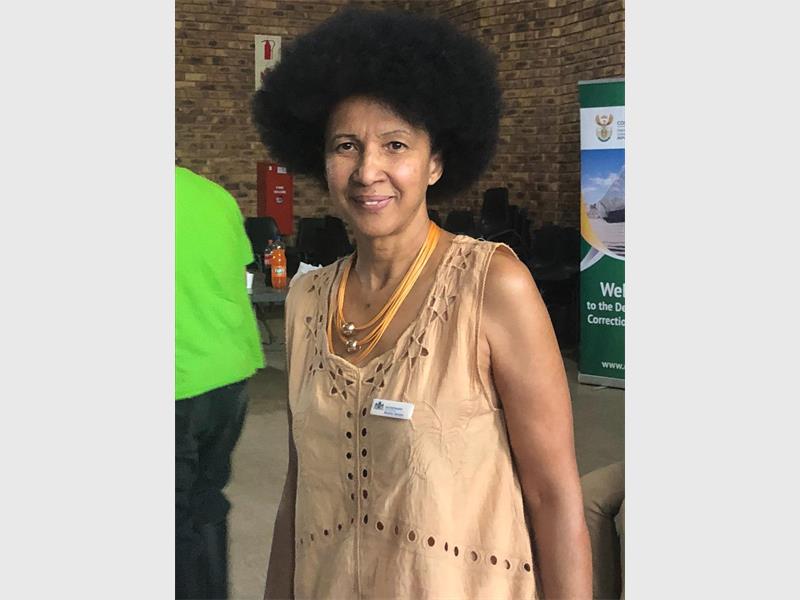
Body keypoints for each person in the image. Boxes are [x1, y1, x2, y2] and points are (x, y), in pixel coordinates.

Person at [252, 8, 591, 599]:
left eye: (396, 144)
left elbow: (553, 495)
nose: (368, 171)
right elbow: (298, 489)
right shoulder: (307, 300)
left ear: (435, 162)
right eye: (346, 146)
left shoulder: (491, 285)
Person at [175, 165, 265, 599]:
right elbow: (237, 270)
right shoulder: (214, 195)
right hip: (230, 373)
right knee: (206, 497)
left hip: (176, 377)